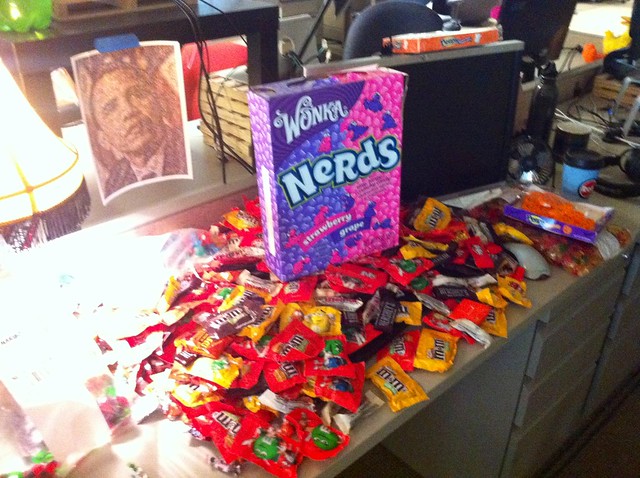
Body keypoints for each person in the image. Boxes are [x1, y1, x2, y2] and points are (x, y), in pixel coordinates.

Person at [77, 45, 189, 199]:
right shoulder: (115, 180)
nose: (129, 111)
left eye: (138, 94)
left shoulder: (184, 150)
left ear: (160, 103)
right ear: (103, 139)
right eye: (110, 108)